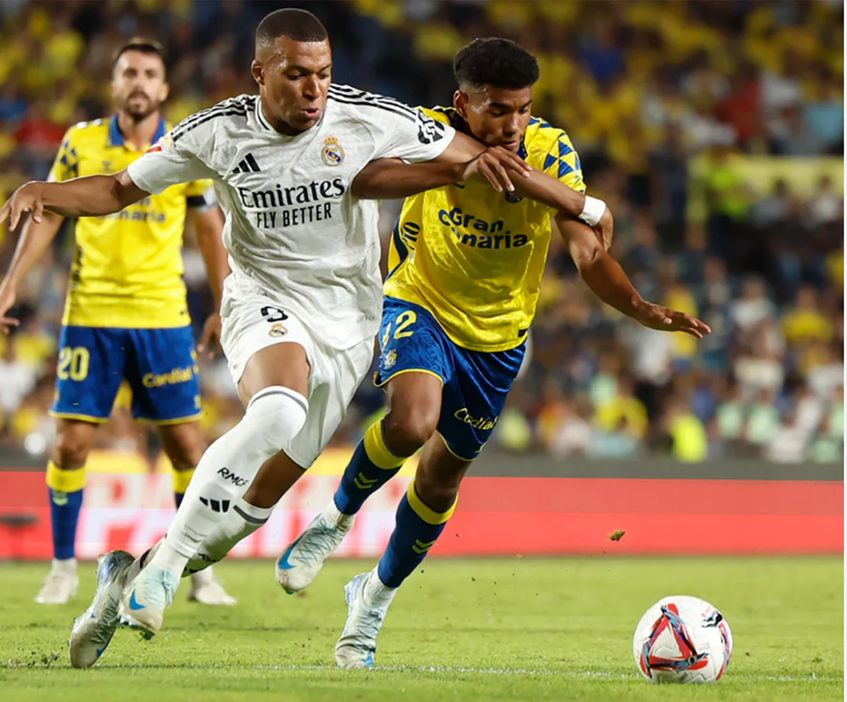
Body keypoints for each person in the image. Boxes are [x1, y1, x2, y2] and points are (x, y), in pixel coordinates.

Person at [0, 10, 599, 667]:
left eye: (323, 74)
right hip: (263, 300)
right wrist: (42, 190)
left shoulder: (366, 116)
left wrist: (584, 205)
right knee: (277, 411)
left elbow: (482, 158)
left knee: (238, 522)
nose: (314, 89)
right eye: (297, 74)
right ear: (260, 72)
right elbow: (115, 188)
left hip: (348, 322)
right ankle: (167, 569)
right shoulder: (215, 133)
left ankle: (123, 582)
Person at [170, 38, 711, 669]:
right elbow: (360, 177)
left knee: (439, 479)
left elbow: (587, 252)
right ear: (463, 103)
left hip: (499, 338)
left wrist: (640, 306)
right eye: (498, 110)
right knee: (411, 420)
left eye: (523, 110)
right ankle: (336, 518)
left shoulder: (552, 150)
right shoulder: (424, 131)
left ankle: (372, 598)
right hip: (418, 300)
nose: (513, 125)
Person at [0, 38, 236, 610]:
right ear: (114, 84)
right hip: (90, 313)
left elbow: (207, 228)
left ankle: (198, 573)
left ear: (163, 88)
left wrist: (222, 304)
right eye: (129, 73)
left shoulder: (183, 146)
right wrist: (11, 285)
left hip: (161, 316)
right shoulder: (81, 142)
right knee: (70, 445)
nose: (139, 82)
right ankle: (62, 568)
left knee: (186, 446)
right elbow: (48, 212)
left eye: (149, 73)